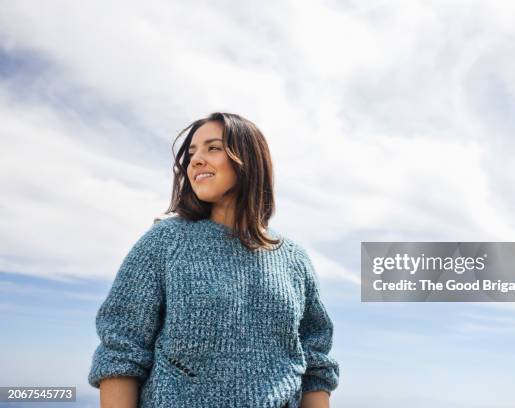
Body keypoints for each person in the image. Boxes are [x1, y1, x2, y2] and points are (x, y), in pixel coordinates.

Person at [87, 112, 340, 408]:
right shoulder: (165, 241)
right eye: (192, 153)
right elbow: (122, 348)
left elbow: (315, 364)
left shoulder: (295, 259)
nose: (195, 160)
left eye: (213, 148)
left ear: (249, 158)